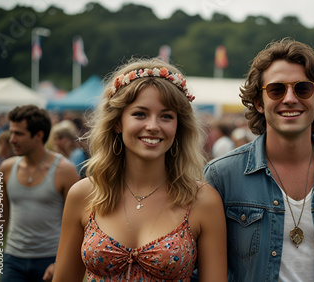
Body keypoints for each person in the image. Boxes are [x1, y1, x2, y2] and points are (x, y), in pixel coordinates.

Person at [204, 38, 314, 281]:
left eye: (303, 88)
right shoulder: (221, 175)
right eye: (276, 89)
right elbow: (203, 270)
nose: (289, 98)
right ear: (258, 102)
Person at [52, 58, 227, 281]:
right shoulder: (83, 194)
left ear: (178, 127)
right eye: (140, 114)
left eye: (166, 116)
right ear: (117, 123)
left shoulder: (203, 200)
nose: (153, 126)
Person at [0, 105, 80, 282]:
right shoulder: (5, 168)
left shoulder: (65, 170)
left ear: (38, 136)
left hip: (50, 259)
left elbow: (78, 223)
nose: (12, 139)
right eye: (11, 132)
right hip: (13, 259)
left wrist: (59, 262)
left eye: (18, 134)